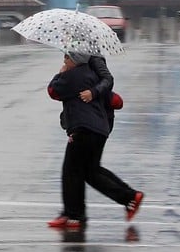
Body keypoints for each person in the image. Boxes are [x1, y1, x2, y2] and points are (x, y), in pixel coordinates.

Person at [46, 50, 143, 230]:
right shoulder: (95, 77)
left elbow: (53, 91)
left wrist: (59, 74)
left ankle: (73, 215)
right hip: (100, 130)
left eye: (67, 57)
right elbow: (116, 101)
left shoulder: (72, 76)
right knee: (91, 171)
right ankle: (130, 197)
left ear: (76, 60)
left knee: (71, 171)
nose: (64, 59)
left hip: (83, 129)